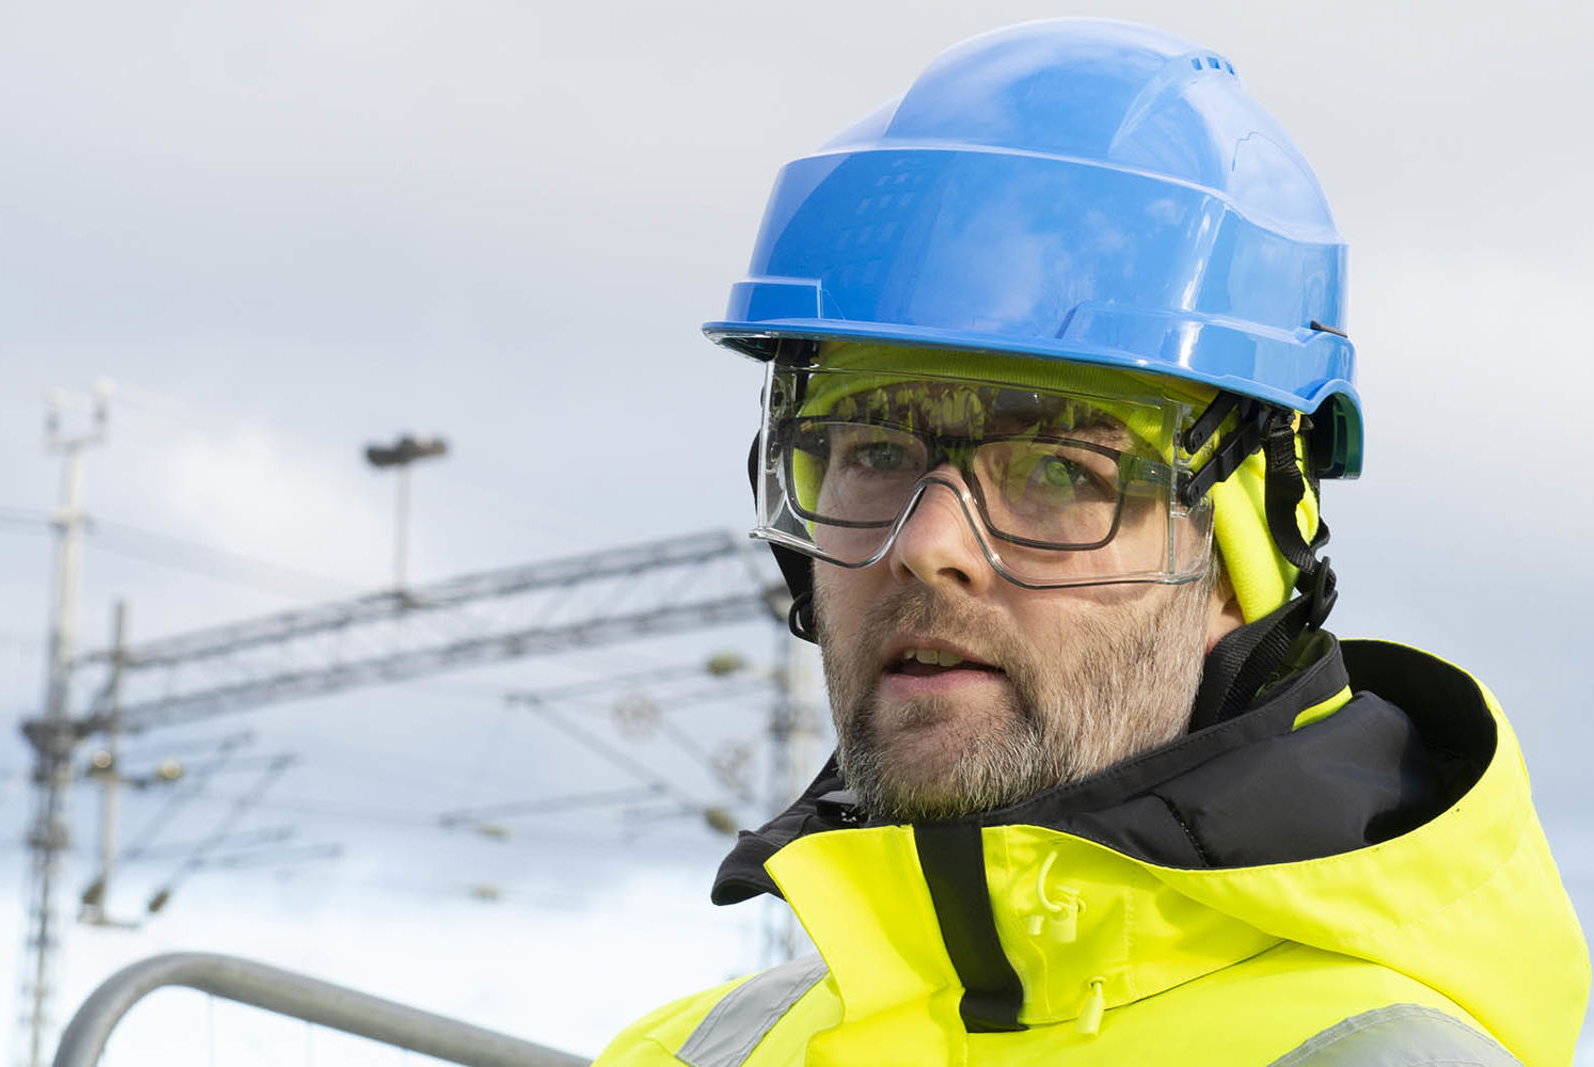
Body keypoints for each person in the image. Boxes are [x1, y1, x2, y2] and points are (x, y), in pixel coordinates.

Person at [593, 19, 1588, 1066]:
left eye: (1063, 472)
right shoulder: (693, 1051)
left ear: (1244, 560)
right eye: (872, 450)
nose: (928, 542)